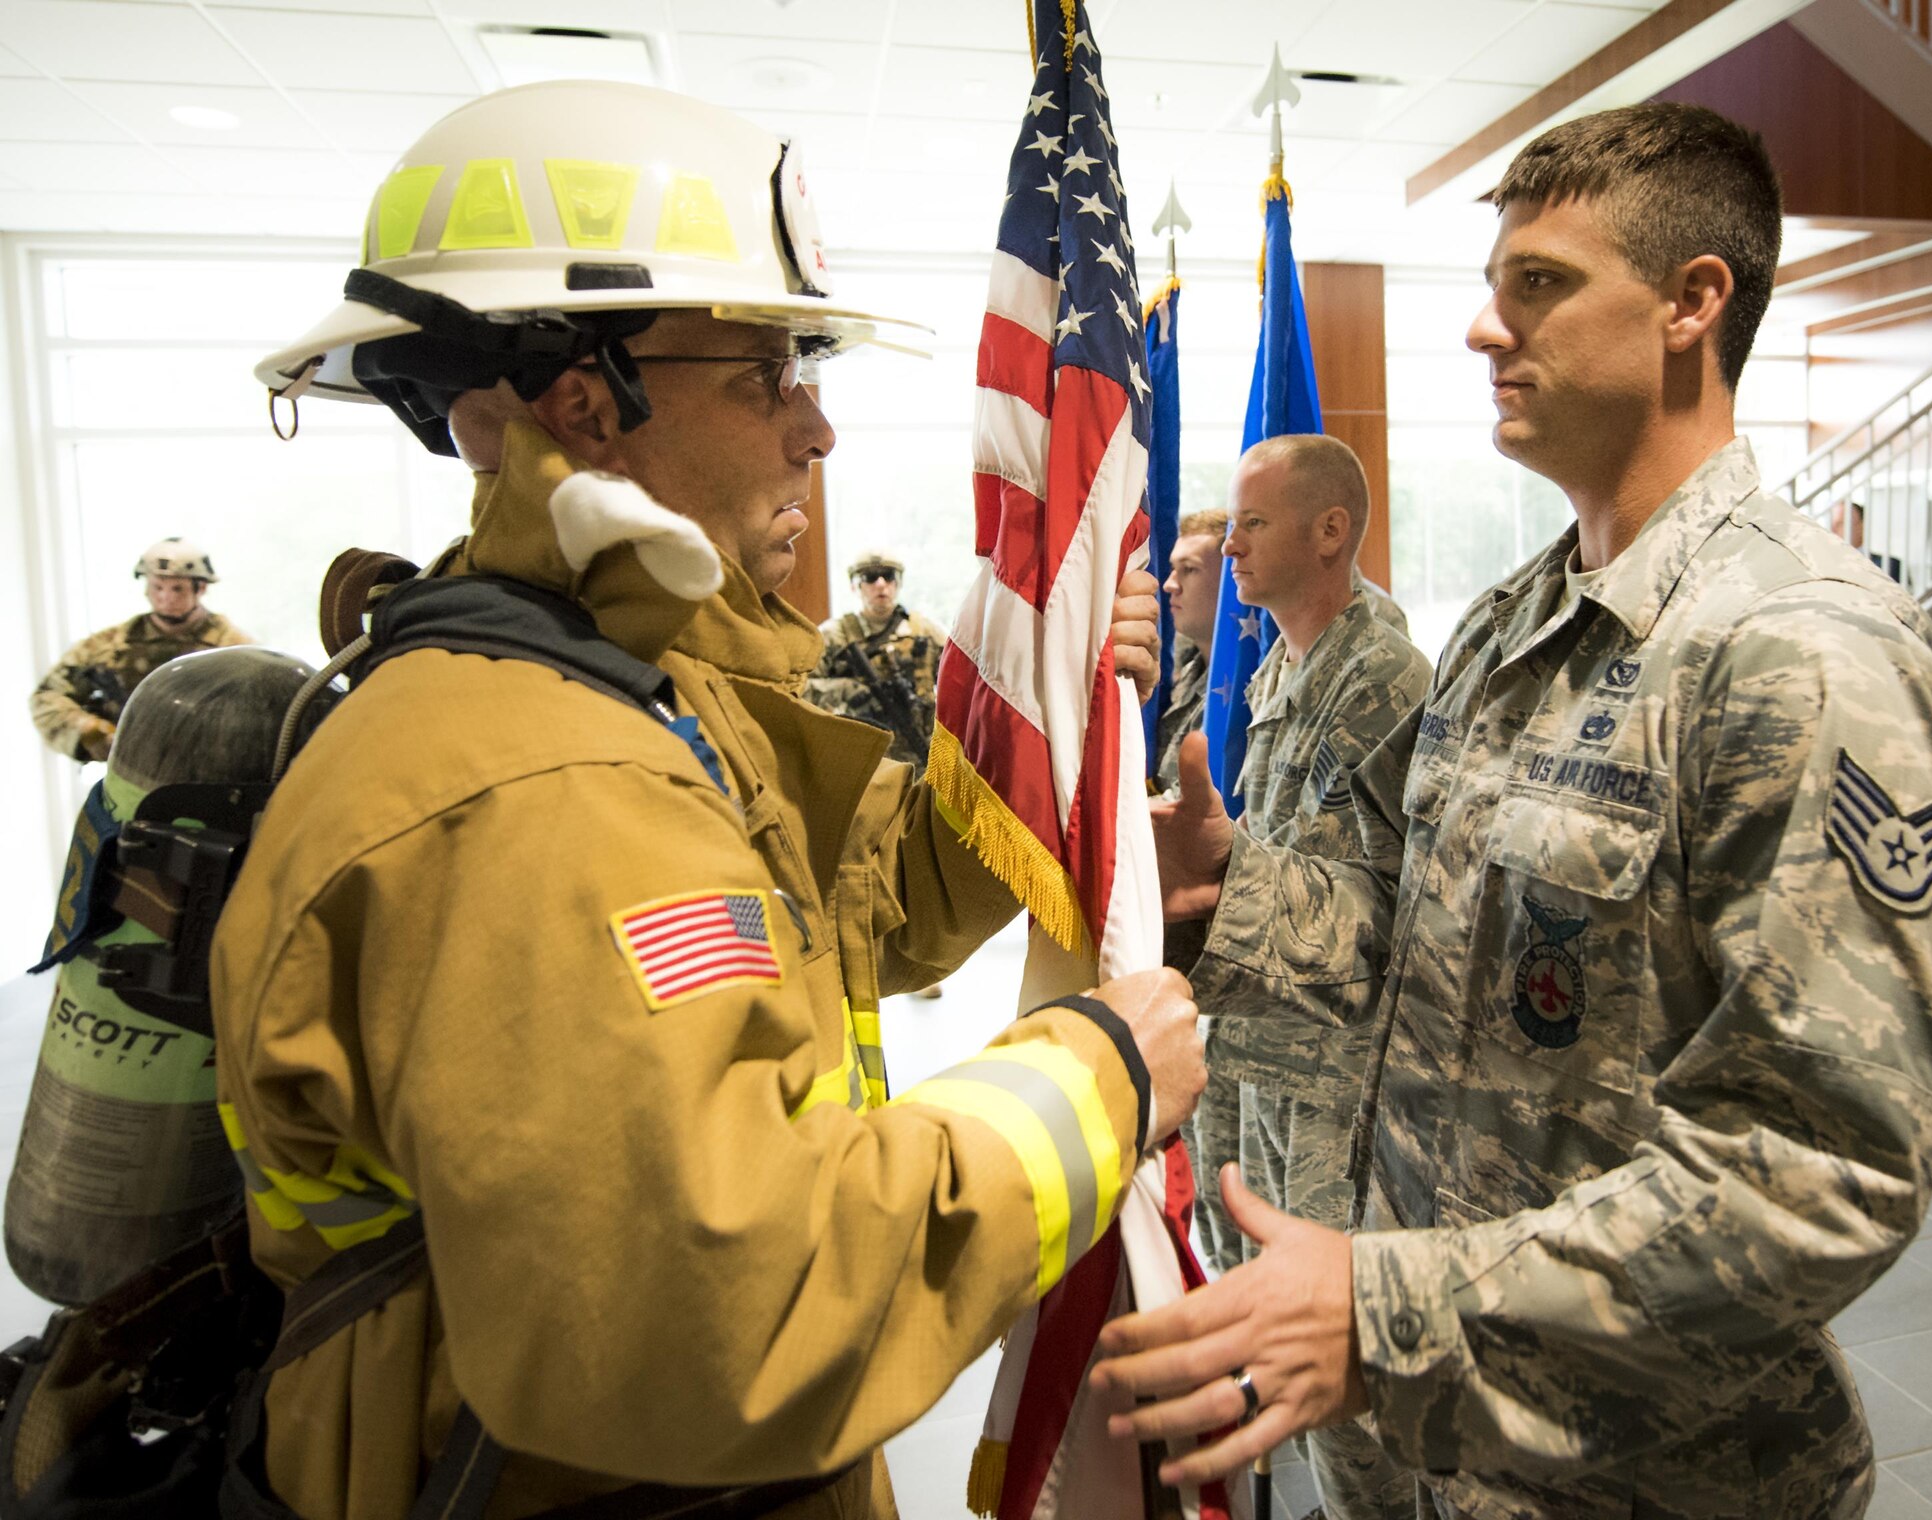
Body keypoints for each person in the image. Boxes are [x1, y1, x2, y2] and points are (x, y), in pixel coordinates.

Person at [213, 81, 1202, 1520]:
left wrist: (1049, 740)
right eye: (770, 375)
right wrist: (1101, 1075)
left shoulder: (643, 694)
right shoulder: (545, 787)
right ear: (581, 403)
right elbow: (734, 1311)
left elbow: (876, 907)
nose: (818, 430)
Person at [1097, 102, 1932, 1520]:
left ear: (1694, 304)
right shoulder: (1514, 625)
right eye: (1493, 290)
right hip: (1422, 1447)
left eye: (1540, 286)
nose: (1486, 331)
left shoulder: (1803, 649)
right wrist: (1231, 889)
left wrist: (1386, 1309)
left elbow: (1819, 1170)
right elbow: (1423, 958)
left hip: (1640, 1475)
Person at [1169, 436, 1430, 1519]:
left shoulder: (1384, 681)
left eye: (1252, 522)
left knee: (1345, 1394)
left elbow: (1401, 917)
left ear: (1329, 529)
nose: (1228, 542)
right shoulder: (1282, 662)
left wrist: (1233, 876)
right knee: (1268, 1344)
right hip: (1257, 1063)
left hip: (1334, 1087)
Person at [28, 536, 252, 761]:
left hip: (212, 772)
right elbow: (47, 696)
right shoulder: (109, 646)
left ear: (200, 588)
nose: (166, 597)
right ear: (146, 588)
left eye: (177, 589)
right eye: (157, 587)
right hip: (129, 770)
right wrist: (90, 731)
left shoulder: (236, 649)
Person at [805, 551, 948, 767]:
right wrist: (845, 690)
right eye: (870, 577)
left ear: (898, 583)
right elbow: (798, 687)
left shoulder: (925, 631)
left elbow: (960, 684)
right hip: (861, 759)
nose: (881, 584)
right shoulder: (834, 635)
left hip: (921, 755)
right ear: (855, 586)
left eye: (888, 576)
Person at [1155, 508, 1226, 796]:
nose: (1170, 584)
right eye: (1173, 568)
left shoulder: (1251, 683)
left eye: (1190, 569)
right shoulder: (1183, 668)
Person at [1831, 498, 1904, 584]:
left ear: (1862, 526)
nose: (1833, 530)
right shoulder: (1823, 565)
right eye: (1832, 524)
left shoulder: (1889, 565)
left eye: (1841, 523)